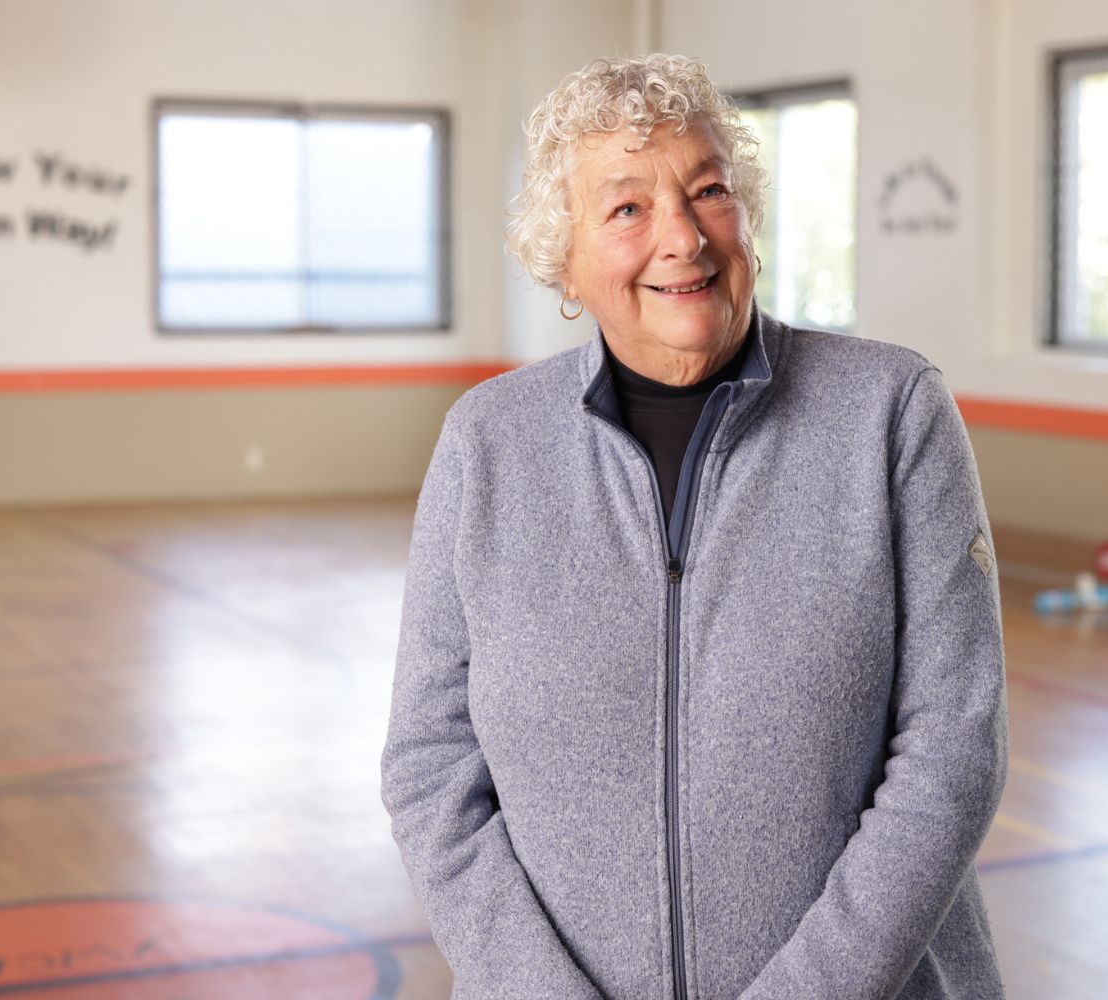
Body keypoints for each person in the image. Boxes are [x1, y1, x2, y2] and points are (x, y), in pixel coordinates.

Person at [381, 53, 1007, 1000]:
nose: (683, 236)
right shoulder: (488, 446)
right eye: (628, 207)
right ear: (565, 256)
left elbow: (953, 752)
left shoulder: (890, 411)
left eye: (708, 190)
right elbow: (431, 766)